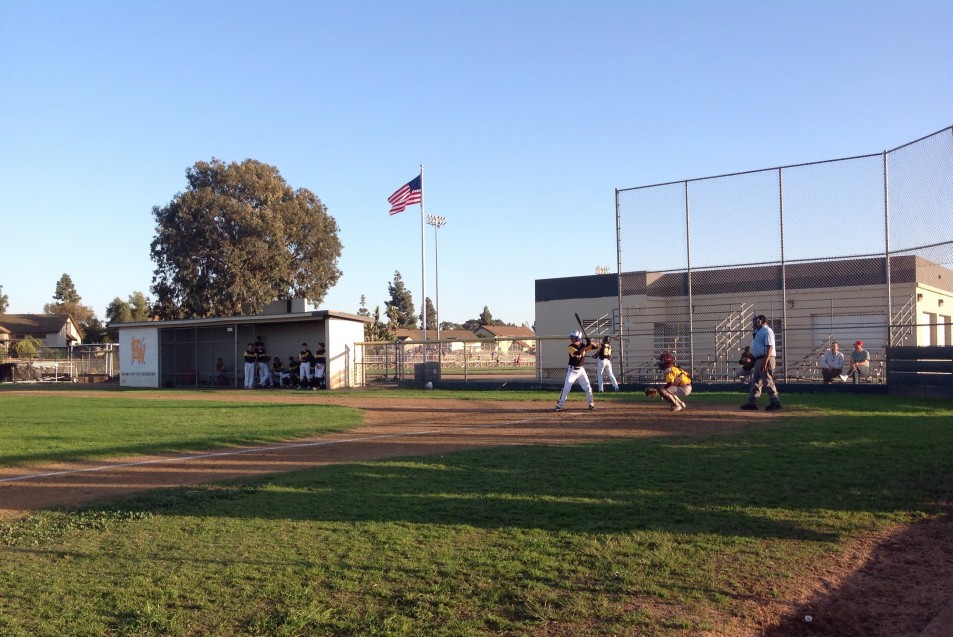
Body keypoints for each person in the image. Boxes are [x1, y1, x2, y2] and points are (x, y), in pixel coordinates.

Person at [741, 314, 782, 411]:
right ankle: (752, 403)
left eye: (757, 321)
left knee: (767, 381)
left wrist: (765, 362)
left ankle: (775, 402)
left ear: (761, 321)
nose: (755, 323)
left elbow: (769, 347)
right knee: (755, 381)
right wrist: (751, 358)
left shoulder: (767, 331)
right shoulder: (758, 332)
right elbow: (757, 348)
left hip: (766, 358)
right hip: (759, 359)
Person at [555, 331, 599, 412]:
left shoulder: (583, 345)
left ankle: (591, 404)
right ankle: (559, 405)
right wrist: (586, 345)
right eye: (571, 337)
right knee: (566, 388)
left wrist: (590, 342)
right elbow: (578, 352)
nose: (571, 339)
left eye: (573, 337)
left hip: (581, 370)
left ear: (578, 338)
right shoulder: (570, 347)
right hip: (572, 371)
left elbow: (597, 346)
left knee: (588, 387)